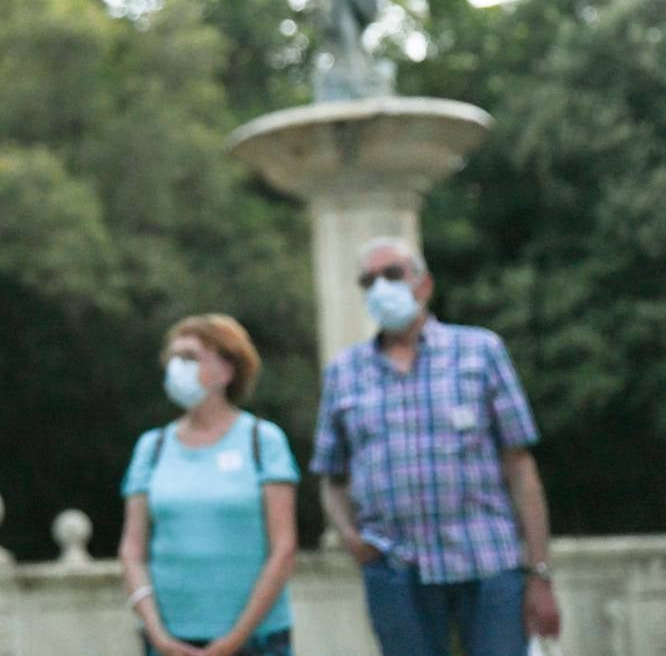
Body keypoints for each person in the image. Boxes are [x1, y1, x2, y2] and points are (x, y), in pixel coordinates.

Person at [311, 236, 560, 656]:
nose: (381, 288)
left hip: (488, 561)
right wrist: (352, 538)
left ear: (424, 284)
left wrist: (539, 573)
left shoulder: (481, 351)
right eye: (368, 281)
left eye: (393, 274)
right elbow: (331, 476)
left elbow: (519, 466)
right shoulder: (345, 371)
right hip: (394, 569)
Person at [118, 314, 298, 656]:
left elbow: (283, 549)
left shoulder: (264, 441)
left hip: (256, 641)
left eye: (190, 357)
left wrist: (232, 640)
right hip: (170, 640)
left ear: (226, 370)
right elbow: (132, 550)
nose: (177, 367)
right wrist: (157, 633)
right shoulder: (152, 447)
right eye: (173, 358)